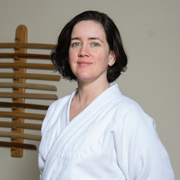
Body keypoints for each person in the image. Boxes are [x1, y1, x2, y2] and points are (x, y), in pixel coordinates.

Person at [38, 10, 174, 180]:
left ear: (111, 56)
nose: (83, 51)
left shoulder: (127, 115)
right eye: (75, 43)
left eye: (94, 44)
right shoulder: (55, 111)